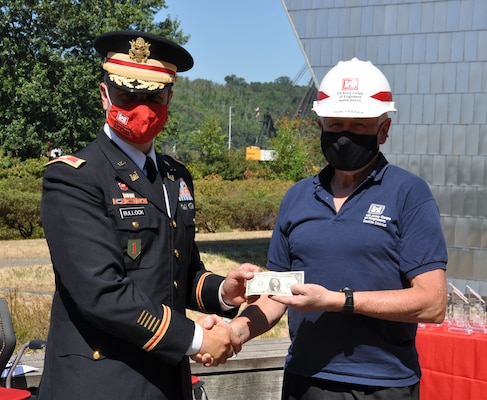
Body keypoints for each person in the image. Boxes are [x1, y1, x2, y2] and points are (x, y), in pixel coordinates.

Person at [207, 58, 448, 399]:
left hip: (384, 385)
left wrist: (339, 301)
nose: (345, 135)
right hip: (306, 381)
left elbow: (432, 302)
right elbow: (278, 295)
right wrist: (235, 331)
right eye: (335, 123)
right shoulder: (298, 197)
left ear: (384, 130)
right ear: (320, 123)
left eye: (359, 125)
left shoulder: (408, 193)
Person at [37, 30, 258, 400]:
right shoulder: (74, 177)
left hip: (166, 380)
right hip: (101, 382)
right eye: (128, 94)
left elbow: (177, 271)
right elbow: (102, 293)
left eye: (153, 96)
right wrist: (199, 338)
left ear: (169, 96)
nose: (142, 106)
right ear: (105, 94)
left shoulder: (175, 176)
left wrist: (224, 291)